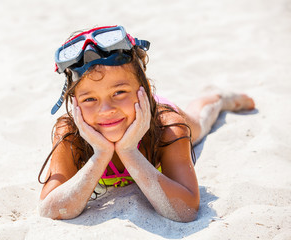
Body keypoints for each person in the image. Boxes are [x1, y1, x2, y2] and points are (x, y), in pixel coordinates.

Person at [38, 25, 255, 221]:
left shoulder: (167, 126)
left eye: (119, 92)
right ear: (74, 103)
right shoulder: (70, 134)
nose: (106, 110)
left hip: (152, 115)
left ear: (147, 91)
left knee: (199, 124)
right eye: (89, 99)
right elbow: (48, 210)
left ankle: (217, 98)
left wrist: (129, 151)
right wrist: (100, 154)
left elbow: (186, 210)